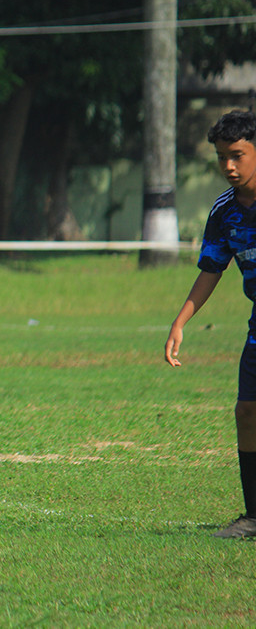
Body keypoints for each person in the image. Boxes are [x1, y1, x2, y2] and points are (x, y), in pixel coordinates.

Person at [165, 109, 256, 538]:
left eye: (237, 155)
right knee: (247, 411)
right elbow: (211, 269)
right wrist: (181, 322)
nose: (229, 167)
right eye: (221, 158)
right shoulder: (224, 211)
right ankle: (254, 516)